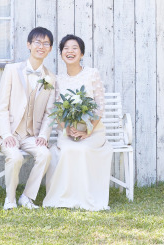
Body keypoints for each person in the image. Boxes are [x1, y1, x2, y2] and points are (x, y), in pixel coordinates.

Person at [0, 27, 57, 209]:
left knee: (45, 154)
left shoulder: (49, 78)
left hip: (31, 135)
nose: (41, 46)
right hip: (9, 132)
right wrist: (7, 134)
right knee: (15, 157)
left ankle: (27, 197)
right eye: (38, 42)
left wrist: (43, 135)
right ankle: (9, 200)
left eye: (46, 43)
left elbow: (50, 111)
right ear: (29, 45)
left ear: (50, 48)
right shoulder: (12, 70)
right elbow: (2, 107)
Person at [43, 34, 113, 211]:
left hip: (93, 131)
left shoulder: (91, 74)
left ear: (81, 54)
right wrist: (68, 129)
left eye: (75, 48)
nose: (70, 51)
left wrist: (87, 131)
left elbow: (99, 105)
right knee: (67, 149)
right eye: (66, 48)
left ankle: (86, 198)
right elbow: (58, 110)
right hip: (68, 132)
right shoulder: (58, 79)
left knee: (82, 149)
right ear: (61, 54)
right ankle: (64, 197)